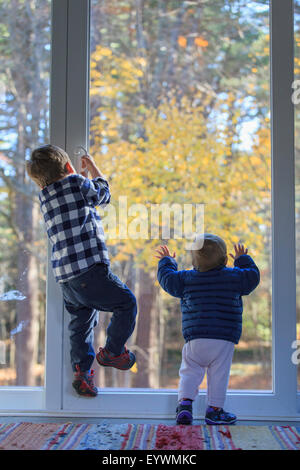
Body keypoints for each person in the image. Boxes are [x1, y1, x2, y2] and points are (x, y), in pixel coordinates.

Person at [26, 144, 137, 397]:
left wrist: (79, 177)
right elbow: (102, 195)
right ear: (68, 167)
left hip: (67, 279)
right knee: (126, 303)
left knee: (82, 324)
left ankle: (82, 373)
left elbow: (74, 204)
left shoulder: (45, 196)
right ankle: (113, 352)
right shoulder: (77, 183)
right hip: (90, 270)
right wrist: (94, 168)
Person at [155, 234, 260, 425]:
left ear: (193, 261)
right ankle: (215, 411)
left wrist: (167, 261)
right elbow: (252, 278)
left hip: (195, 338)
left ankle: (185, 405)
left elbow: (168, 280)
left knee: (189, 372)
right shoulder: (234, 276)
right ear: (225, 259)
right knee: (219, 375)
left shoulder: (186, 278)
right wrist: (243, 259)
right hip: (223, 338)